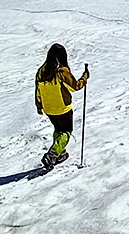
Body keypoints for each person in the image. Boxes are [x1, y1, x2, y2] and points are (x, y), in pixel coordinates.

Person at [35, 43, 89, 171]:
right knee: (66, 132)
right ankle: (52, 155)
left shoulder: (41, 71)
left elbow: (38, 90)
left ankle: (60, 154)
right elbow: (75, 86)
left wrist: (39, 105)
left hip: (49, 109)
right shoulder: (61, 71)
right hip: (63, 108)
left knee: (58, 130)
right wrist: (85, 77)